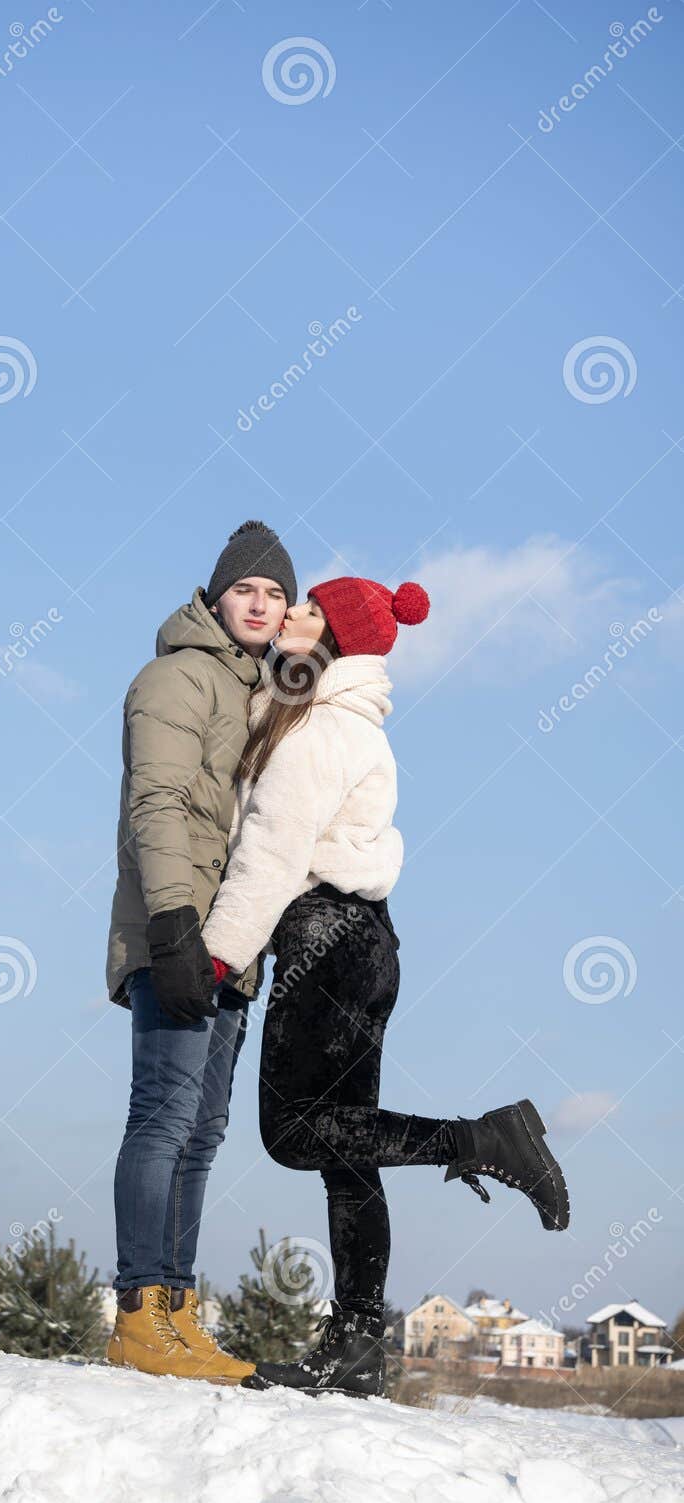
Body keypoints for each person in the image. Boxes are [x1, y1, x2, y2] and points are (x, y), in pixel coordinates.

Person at [201, 575, 570, 1400]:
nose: (286, 613)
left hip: (324, 937)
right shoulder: (324, 716)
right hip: (364, 941)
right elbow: (271, 720)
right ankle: (358, 1347)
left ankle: (482, 1141)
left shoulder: (325, 732)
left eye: (306, 610)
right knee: (347, 1149)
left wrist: (221, 955)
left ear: (332, 637)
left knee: (295, 1133)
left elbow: (271, 846)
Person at [105, 520, 296, 1384]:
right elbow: (160, 805)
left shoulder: (254, 691)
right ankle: (140, 1312)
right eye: (246, 590)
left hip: (228, 947)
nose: (260, 604)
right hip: (177, 936)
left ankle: (178, 1314)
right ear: (215, 596)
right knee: (163, 1119)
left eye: (276, 595)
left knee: (205, 1132)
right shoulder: (178, 677)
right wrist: (174, 927)